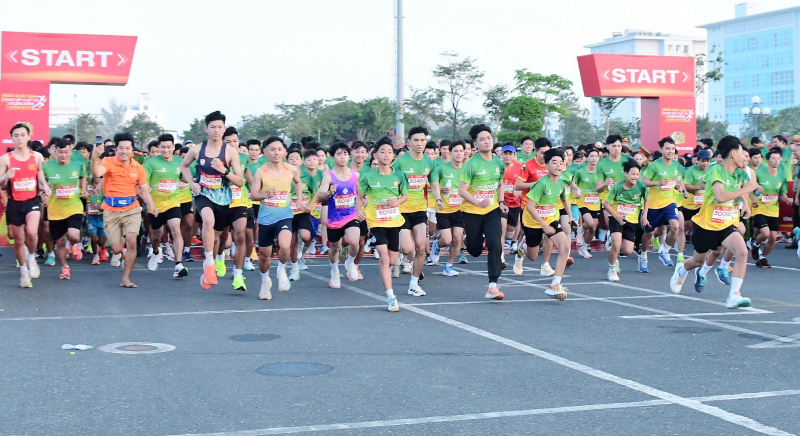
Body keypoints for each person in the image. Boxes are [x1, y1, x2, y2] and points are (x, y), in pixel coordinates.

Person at [669, 136, 757, 309]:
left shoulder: (739, 173)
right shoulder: (715, 171)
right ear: (732, 154)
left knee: (741, 252)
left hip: (726, 224)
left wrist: (746, 202)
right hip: (707, 226)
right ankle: (681, 270)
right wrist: (746, 189)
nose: (744, 157)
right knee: (697, 262)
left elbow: (746, 186)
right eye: (742, 154)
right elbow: (720, 196)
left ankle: (734, 295)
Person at [179, 111, 244, 290]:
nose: (216, 130)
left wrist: (224, 170)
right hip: (203, 194)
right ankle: (208, 264)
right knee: (208, 221)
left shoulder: (230, 152)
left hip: (223, 198)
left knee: (217, 236)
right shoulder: (197, 149)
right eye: (213, 127)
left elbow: (240, 182)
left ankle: (214, 263)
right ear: (206, 128)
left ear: (224, 129)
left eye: (220, 127)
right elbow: (183, 167)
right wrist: (192, 183)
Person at [91, 132, 158, 288]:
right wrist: (95, 157)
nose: (124, 151)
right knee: (115, 249)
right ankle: (120, 250)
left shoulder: (139, 168)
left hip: (132, 209)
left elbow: (143, 191)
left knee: (131, 241)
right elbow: (96, 173)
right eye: (121, 148)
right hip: (111, 209)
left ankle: (126, 278)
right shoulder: (108, 162)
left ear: (131, 150)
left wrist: (152, 205)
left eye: (127, 148)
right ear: (116, 148)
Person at [357, 139, 409, 312]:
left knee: (393, 260)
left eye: (389, 152)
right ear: (376, 155)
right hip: (376, 221)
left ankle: (393, 258)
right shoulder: (369, 176)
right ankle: (391, 296)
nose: (386, 155)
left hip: (394, 221)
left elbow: (405, 197)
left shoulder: (399, 175)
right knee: (384, 257)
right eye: (382, 151)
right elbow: (360, 196)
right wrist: (359, 210)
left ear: (393, 155)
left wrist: (397, 202)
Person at [250, 136, 303, 299]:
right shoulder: (261, 172)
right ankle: (265, 282)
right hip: (266, 218)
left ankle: (281, 270)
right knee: (264, 255)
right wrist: (266, 195)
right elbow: (253, 195)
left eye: (279, 149)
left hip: (285, 215)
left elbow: (298, 182)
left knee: (285, 245)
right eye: (272, 149)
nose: (276, 153)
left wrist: (299, 198)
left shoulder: (291, 169)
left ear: (285, 152)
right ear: (265, 152)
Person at [459, 124, 507, 300]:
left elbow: (500, 183)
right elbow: (462, 191)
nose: (487, 142)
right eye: (482, 139)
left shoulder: (498, 162)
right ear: (475, 144)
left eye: (488, 138)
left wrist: (501, 201)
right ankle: (469, 240)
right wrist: (478, 202)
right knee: (475, 250)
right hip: (471, 211)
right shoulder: (471, 164)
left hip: (492, 210)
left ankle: (492, 285)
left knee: (495, 242)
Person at [306, 141, 362, 288]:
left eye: (345, 153)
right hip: (335, 218)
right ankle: (334, 271)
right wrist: (329, 193)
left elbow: (361, 194)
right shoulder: (328, 176)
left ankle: (350, 263)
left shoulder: (355, 175)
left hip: (351, 215)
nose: (342, 157)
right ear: (333, 157)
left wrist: (362, 206)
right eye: (338, 154)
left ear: (349, 156)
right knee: (334, 248)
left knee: (355, 242)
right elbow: (320, 196)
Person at [520, 148, 574, 300]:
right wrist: (543, 225)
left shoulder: (561, 183)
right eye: (554, 162)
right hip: (533, 221)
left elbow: (564, 198)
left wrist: (570, 216)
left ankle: (555, 284)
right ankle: (523, 247)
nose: (558, 166)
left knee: (565, 246)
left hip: (551, 219)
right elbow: (530, 207)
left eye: (561, 163)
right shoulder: (541, 184)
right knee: (532, 256)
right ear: (547, 165)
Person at [0, 123, 49, 287]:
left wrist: (45, 186)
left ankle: (32, 258)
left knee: (31, 232)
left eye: (23, 135)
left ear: (28, 137)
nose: (20, 138)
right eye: (16, 135)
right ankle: (23, 272)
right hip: (15, 203)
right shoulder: (6, 159)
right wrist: (6, 175)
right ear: (12, 138)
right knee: (19, 240)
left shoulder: (36, 156)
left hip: (32, 200)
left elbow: (39, 172)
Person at [391, 127, 434, 296]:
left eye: (422, 140)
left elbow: (434, 184)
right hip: (402, 210)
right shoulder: (401, 162)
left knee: (421, 248)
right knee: (407, 249)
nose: (419, 143)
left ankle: (414, 283)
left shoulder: (429, 163)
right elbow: (390, 179)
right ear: (409, 142)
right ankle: (398, 256)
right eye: (416, 140)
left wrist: (437, 198)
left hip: (420, 210)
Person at [143, 133, 189, 278]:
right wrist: (146, 189)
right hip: (155, 205)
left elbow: (183, 176)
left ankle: (178, 264)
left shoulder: (179, 162)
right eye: (163, 147)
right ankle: (156, 252)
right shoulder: (151, 163)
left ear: (173, 147)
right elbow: (142, 182)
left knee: (176, 230)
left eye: (169, 147)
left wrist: (190, 182)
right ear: (159, 147)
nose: (165, 150)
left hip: (173, 202)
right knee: (156, 234)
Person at [41, 139, 87, 279]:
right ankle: (65, 267)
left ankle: (74, 244)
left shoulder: (77, 164)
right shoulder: (47, 167)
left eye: (66, 152)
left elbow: (83, 176)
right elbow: (42, 183)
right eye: (60, 152)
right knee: (59, 241)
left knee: (73, 235)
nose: (63, 155)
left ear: (70, 152)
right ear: (55, 152)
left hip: (74, 207)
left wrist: (83, 189)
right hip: (55, 210)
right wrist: (44, 192)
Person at [640, 137, 685, 268]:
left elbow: (677, 182)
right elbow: (644, 182)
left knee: (676, 226)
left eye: (672, 149)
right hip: (653, 205)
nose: (670, 151)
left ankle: (664, 250)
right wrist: (657, 183)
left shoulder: (677, 165)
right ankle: (643, 256)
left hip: (669, 202)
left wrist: (678, 187)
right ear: (661, 150)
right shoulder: (654, 165)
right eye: (667, 149)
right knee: (649, 233)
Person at [514, 138, 555, 276]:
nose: (545, 156)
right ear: (535, 151)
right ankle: (521, 250)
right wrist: (536, 185)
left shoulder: (552, 166)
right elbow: (518, 186)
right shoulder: (527, 166)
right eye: (542, 153)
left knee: (550, 234)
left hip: (548, 208)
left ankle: (546, 264)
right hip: (529, 208)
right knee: (532, 256)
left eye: (548, 153)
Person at [603, 160, 649, 282]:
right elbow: (606, 204)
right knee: (616, 243)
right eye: (633, 174)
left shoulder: (641, 186)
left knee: (627, 251)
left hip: (632, 221)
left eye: (638, 174)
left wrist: (644, 216)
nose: (635, 177)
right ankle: (612, 269)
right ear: (626, 174)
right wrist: (616, 216)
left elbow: (647, 199)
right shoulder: (617, 187)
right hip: (616, 218)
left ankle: (613, 243)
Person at [218, 127, 252, 290]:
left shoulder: (244, 157)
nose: (232, 144)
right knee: (223, 238)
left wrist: (257, 190)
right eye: (228, 142)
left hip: (240, 202)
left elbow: (248, 177)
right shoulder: (216, 158)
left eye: (235, 141)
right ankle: (219, 257)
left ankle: (238, 275)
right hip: (222, 202)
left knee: (240, 235)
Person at [750, 147, 793, 268]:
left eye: (778, 159)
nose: (776, 161)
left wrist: (787, 199)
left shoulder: (781, 177)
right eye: (773, 159)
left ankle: (762, 258)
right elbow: (749, 188)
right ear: (768, 160)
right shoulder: (758, 173)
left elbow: (782, 194)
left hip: (773, 210)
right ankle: (756, 245)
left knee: (773, 237)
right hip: (759, 208)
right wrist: (754, 198)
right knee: (765, 233)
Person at [430, 140, 466, 277]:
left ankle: (449, 266)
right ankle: (437, 245)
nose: (458, 154)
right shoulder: (442, 168)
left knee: (458, 239)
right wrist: (440, 188)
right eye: (455, 151)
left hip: (459, 210)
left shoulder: (467, 170)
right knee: (446, 240)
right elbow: (432, 185)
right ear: (450, 153)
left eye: (461, 151)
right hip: (443, 209)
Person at [286, 147, 317, 281]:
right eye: (291, 158)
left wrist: (310, 206)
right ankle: (294, 269)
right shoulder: (284, 175)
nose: (294, 161)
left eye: (296, 158)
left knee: (306, 236)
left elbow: (316, 193)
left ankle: (302, 251)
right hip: (288, 213)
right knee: (292, 242)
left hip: (303, 212)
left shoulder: (307, 176)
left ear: (301, 161)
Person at [572, 148, 601, 260]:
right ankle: (580, 229)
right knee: (590, 224)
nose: (594, 158)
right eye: (592, 156)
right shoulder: (580, 172)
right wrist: (576, 191)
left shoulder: (600, 172)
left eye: (596, 156)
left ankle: (584, 247)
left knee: (593, 229)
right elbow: (573, 184)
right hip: (583, 202)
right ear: (587, 158)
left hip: (596, 203)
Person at [500, 144, 523, 260]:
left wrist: (520, 190)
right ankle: (501, 255)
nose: (507, 156)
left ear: (515, 155)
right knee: (501, 228)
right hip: (500, 202)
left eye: (510, 154)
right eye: (505, 154)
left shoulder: (521, 167)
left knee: (510, 231)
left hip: (515, 203)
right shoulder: (497, 167)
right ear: (501, 155)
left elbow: (526, 182)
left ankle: (511, 241)